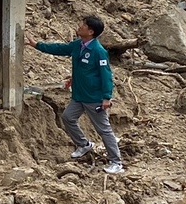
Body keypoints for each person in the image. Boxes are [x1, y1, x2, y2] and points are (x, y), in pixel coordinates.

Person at [25, 15, 124, 174]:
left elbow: (106, 75)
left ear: (90, 31)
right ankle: (84, 145)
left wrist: (106, 97)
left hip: (94, 98)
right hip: (79, 95)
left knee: (103, 130)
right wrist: (37, 45)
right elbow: (58, 49)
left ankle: (116, 163)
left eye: (83, 25)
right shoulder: (78, 45)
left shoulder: (98, 51)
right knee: (67, 117)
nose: (79, 26)